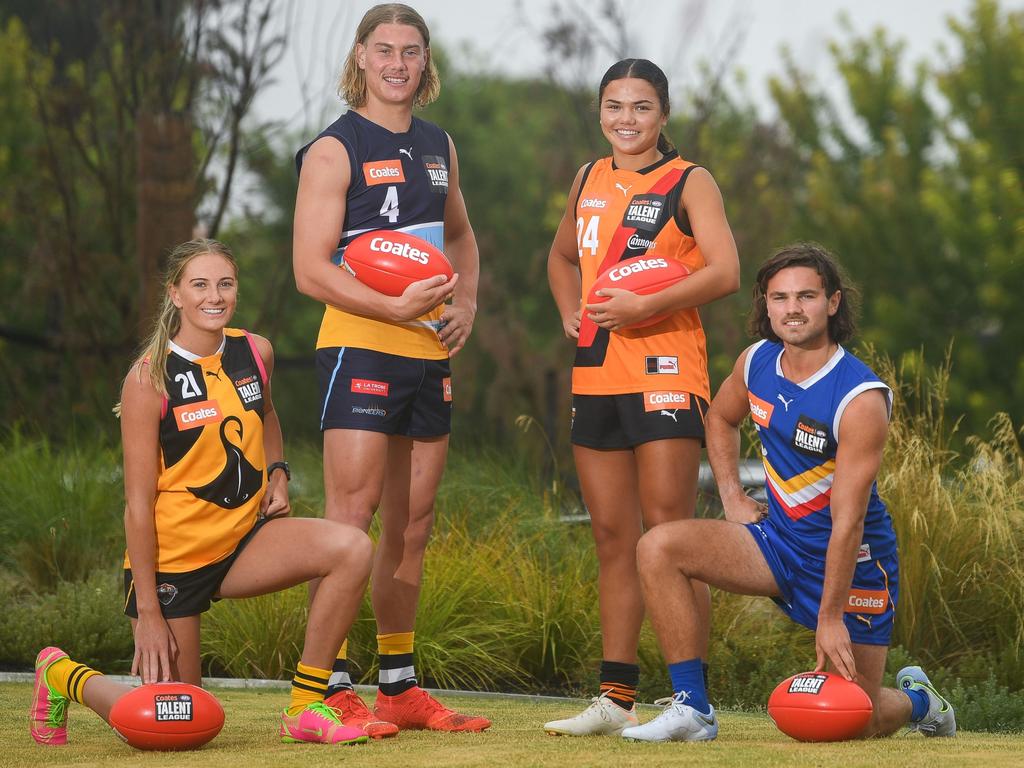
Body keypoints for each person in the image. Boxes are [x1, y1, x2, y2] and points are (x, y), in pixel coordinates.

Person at [29, 239, 374, 747]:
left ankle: (305, 706)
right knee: (175, 724)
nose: (215, 296)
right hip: (174, 562)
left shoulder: (256, 351)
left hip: (242, 543)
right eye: (200, 285)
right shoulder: (150, 379)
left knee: (352, 548)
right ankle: (61, 675)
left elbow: (268, 415)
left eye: (225, 284)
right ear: (175, 294)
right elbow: (136, 505)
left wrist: (277, 471)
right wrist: (148, 611)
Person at [622, 243, 956, 742]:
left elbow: (848, 521)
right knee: (658, 547)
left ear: (833, 302)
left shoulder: (859, 397)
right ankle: (692, 711)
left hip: (854, 560)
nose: (792, 309)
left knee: (851, 719)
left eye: (806, 296)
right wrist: (734, 496)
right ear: (766, 304)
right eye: (779, 297)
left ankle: (919, 703)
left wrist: (830, 617)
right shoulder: (756, 361)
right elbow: (719, 417)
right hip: (778, 543)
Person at [292, 4, 487, 736]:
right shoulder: (333, 149)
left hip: (428, 353)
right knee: (351, 522)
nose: (398, 63)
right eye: (386, 50)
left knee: (413, 524)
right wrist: (392, 307)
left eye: (411, 50)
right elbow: (310, 270)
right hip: (361, 346)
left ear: (425, 61)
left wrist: (464, 301)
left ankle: (399, 685)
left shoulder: (440, 145)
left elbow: (463, 239)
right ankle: (326, 684)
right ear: (363, 58)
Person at [544, 58, 740, 736]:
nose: (626, 119)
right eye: (614, 105)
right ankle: (615, 697)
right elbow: (562, 255)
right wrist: (573, 310)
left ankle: (693, 704)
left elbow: (726, 270)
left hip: (666, 372)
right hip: (596, 375)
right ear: (599, 110)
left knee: (670, 536)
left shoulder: (691, 181)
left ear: (663, 114)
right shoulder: (588, 177)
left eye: (641, 107)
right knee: (611, 538)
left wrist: (647, 299)